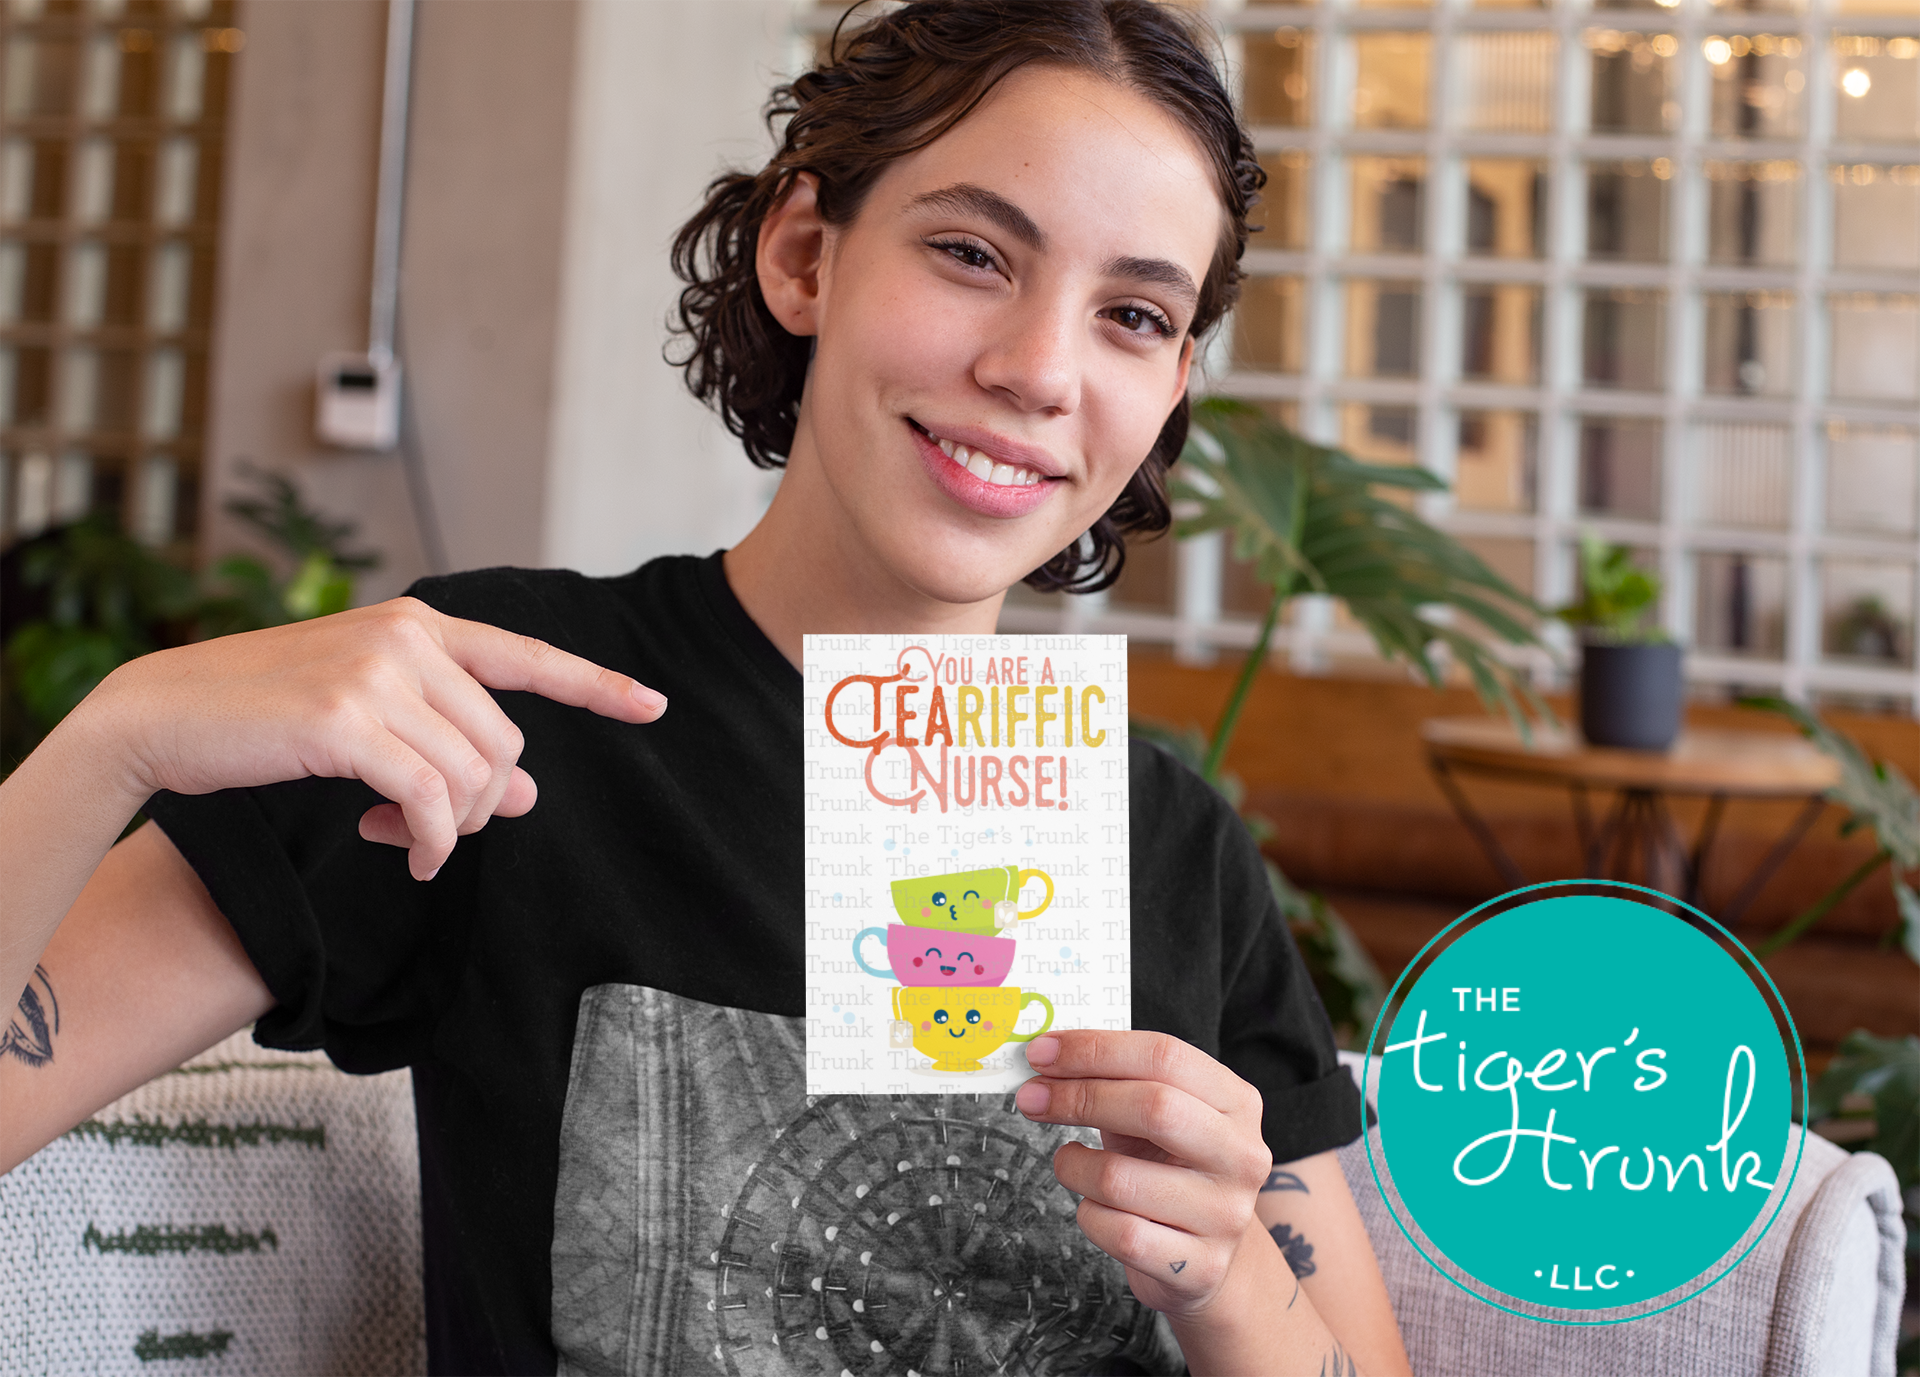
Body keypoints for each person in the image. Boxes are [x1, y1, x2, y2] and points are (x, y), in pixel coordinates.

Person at [0, 3, 1413, 1374]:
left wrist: (1230, 1278)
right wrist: (119, 735)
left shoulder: (1178, 853)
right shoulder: (490, 712)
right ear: (804, 256)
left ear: (1171, 387)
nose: (1040, 370)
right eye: (973, 253)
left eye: (1134, 315)